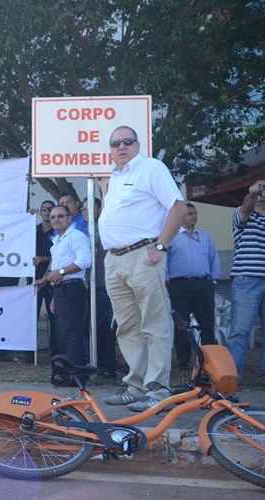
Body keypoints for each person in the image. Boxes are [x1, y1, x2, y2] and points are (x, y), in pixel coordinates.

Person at [99, 125, 187, 412]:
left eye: (127, 141)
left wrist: (160, 246)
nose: (121, 147)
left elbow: (178, 207)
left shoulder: (151, 168)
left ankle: (158, 388)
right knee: (127, 326)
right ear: (110, 149)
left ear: (138, 145)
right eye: (115, 143)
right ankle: (135, 385)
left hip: (143, 255)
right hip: (113, 259)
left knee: (155, 323)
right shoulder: (113, 177)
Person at [36, 205, 91, 385]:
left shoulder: (76, 237)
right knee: (62, 333)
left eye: (60, 216)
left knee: (72, 333)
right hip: (60, 290)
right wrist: (50, 287)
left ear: (69, 218)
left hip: (73, 288)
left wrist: (60, 272)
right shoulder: (57, 241)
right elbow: (56, 270)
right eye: (52, 217)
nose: (56, 219)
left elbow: (84, 261)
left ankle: (78, 376)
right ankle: (67, 374)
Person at [166, 202, 220, 375]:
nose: (194, 216)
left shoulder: (205, 236)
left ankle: (209, 363)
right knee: (182, 326)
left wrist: (213, 281)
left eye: (195, 213)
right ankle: (183, 364)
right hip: (179, 286)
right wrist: (167, 282)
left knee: (207, 325)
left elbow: (214, 258)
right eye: (190, 213)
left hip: (203, 285)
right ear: (180, 216)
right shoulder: (171, 237)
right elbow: (164, 262)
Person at [225, 179, 265, 379]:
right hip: (246, 279)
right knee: (240, 331)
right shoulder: (242, 213)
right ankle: (232, 379)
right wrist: (253, 192)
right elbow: (248, 206)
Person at [87, 198, 117, 380]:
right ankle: (95, 363)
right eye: (83, 208)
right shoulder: (83, 229)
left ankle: (108, 366)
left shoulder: (104, 228)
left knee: (106, 328)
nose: (86, 210)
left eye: (90, 207)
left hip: (104, 284)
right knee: (93, 328)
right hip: (89, 285)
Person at [34, 200, 57, 356]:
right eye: (44, 209)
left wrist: (43, 259)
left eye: (50, 209)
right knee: (31, 314)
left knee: (53, 315)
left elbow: (61, 256)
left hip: (52, 279)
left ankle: (55, 350)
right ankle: (30, 352)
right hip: (34, 279)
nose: (47, 212)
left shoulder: (57, 232)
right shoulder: (33, 230)